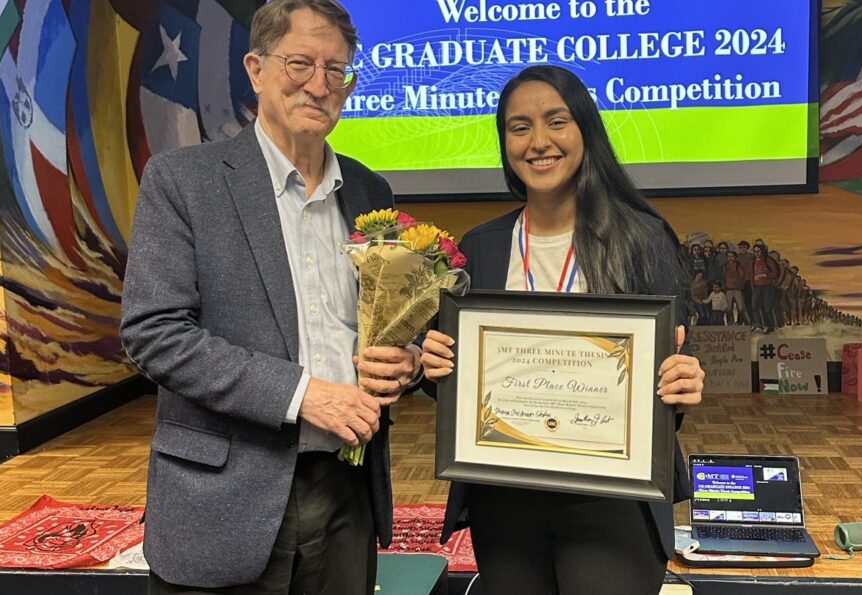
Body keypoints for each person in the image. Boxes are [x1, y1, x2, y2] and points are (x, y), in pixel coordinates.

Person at [119, 1, 421, 592]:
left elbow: (379, 324)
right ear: (256, 70)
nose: (320, 84)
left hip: (346, 496)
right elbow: (153, 333)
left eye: (337, 70)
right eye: (301, 63)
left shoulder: (368, 190)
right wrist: (302, 394)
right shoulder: (184, 181)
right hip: (223, 497)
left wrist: (403, 361)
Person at [420, 65, 705, 595]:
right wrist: (434, 366)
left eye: (557, 121)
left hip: (613, 499)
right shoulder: (479, 247)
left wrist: (683, 383)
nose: (539, 142)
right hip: (504, 496)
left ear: (585, 131)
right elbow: (455, 381)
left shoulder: (641, 238)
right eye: (519, 126)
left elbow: (675, 368)